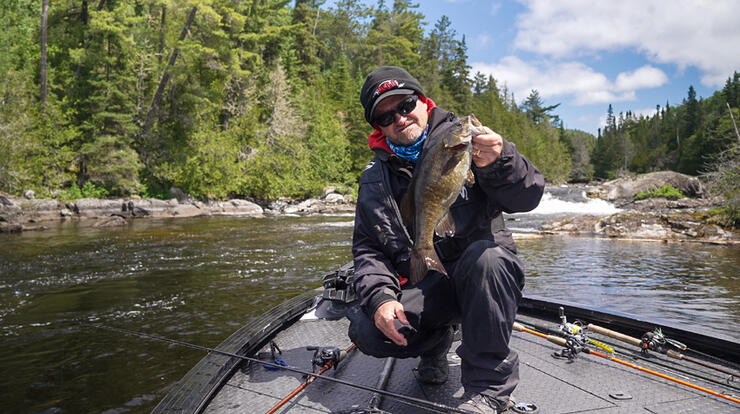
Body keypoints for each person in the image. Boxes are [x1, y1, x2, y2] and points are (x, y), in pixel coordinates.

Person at [347, 66, 545, 413]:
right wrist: (380, 299)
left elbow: (527, 198)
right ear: (378, 127)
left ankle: (489, 392)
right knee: (367, 329)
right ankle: (436, 343)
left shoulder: (471, 144)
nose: (400, 118)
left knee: (490, 259)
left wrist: (501, 162)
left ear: (423, 101)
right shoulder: (374, 180)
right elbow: (368, 250)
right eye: (385, 116)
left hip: (481, 278)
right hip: (429, 284)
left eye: (405, 104)